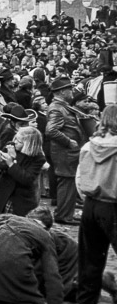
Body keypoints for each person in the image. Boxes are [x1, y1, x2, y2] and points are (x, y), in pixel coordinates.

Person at [75, 104, 117, 304]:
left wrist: (87, 198)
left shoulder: (88, 146)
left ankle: (85, 303)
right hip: (113, 205)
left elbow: (79, 178)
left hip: (91, 204)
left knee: (90, 256)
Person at [46, 76, 85, 225]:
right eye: (69, 89)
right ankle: (63, 215)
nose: (72, 91)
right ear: (62, 92)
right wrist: (69, 142)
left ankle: (66, 213)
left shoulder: (62, 105)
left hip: (67, 153)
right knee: (67, 183)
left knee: (69, 183)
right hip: (65, 152)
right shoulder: (57, 108)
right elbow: (51, 131)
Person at [0, 126, 46, 219]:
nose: (15, 142)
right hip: (2, 192)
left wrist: (12, 162)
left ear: (28, 144)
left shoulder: (38, 158)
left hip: (19, 198)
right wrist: (0, 159)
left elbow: (27, 178)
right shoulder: (11, 146)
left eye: (19, 141)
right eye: (15, 139)